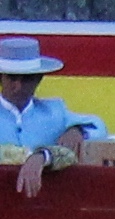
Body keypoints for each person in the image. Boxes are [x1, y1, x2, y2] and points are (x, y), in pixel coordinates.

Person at [1, 33, 105, 197]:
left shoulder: (54, 112)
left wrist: (77, 130)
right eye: (12, 78)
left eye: (27, 79)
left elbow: (99, 128)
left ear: (38, 79)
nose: (19, 86)